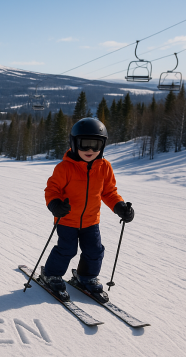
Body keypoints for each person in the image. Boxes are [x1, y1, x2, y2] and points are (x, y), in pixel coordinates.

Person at [39, 117, 134, 301]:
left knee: (95, 250)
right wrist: (55, 205)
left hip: (91, 221)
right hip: (67, 220)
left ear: (103, 145)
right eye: (84, 145)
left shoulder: (104, 167)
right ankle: (51, 274)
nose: (90, 150)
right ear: (74, 144)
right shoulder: (65, 168)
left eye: (95, 145)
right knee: (67, 249)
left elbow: (109, 192)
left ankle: (86, 276)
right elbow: (52, 189)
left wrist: (120, 207)